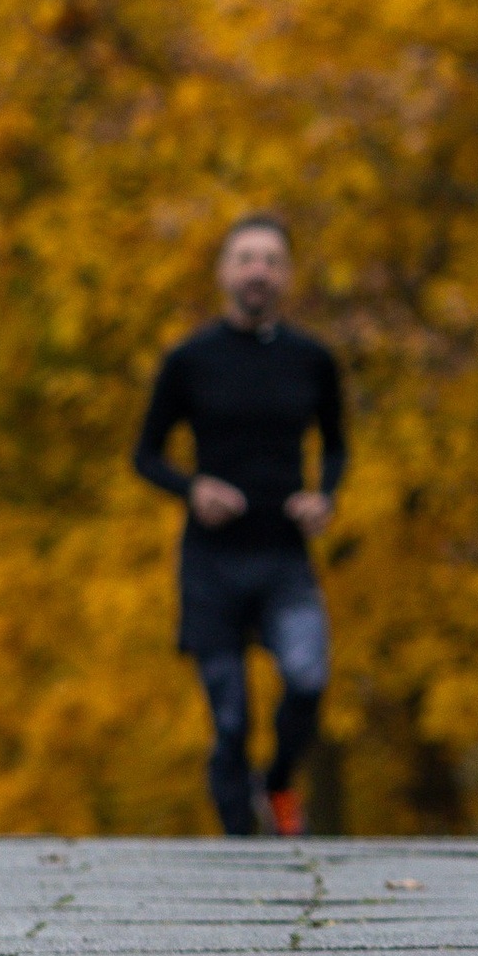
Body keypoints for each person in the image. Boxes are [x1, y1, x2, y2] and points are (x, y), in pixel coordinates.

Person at [134, 217, 347, 840]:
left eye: (272, 260)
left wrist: (324, 496)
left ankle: (279, 779)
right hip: (212, 564)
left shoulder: (313, 360)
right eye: (247, 258)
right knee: (230, 721)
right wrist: (191, 488)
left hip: (284, 557)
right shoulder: (189, 361)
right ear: (225, 273)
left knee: (308, 679)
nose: (260, 271)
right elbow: (144, 455)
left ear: (285, 276)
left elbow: (335, 447)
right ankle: (241, 855)